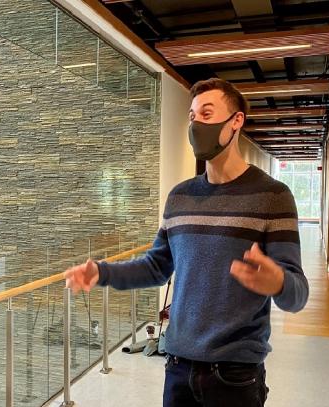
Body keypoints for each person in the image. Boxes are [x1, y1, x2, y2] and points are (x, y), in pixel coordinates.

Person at [65, 78, 309, 407]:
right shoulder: (180, 197)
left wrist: (278, 282)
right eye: (192, 117)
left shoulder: (273, 196)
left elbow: (298, 294)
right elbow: (156, 267)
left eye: (207, 114)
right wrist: (102, 272)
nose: (196, 125)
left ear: (236, 121)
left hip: (235, 375)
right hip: (178, 367)